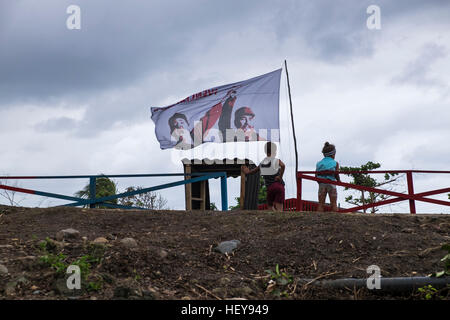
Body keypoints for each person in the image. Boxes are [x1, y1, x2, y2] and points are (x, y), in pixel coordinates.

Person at [242, 142, 285, 211]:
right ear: (275, 151)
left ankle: (273, 218)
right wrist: (280, 176)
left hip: (270, 188)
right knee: (279, 208)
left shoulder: (262, 163)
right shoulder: (276, 160)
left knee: (270, 207)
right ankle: (279, 216)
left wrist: (246, 171)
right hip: (278, 186)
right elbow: (283, 165)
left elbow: (251, 172)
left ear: (265, 151)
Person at [315, 142, 340, 212]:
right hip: (331, 183)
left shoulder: (318, 163)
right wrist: (339, 181)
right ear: (333, 154)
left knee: (320, 204)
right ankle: (335, 218)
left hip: (322, 184)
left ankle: (319, 218)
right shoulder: (335, 163)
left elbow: (316, 175)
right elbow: (336, 174)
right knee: (334, 203)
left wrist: (320, 182)